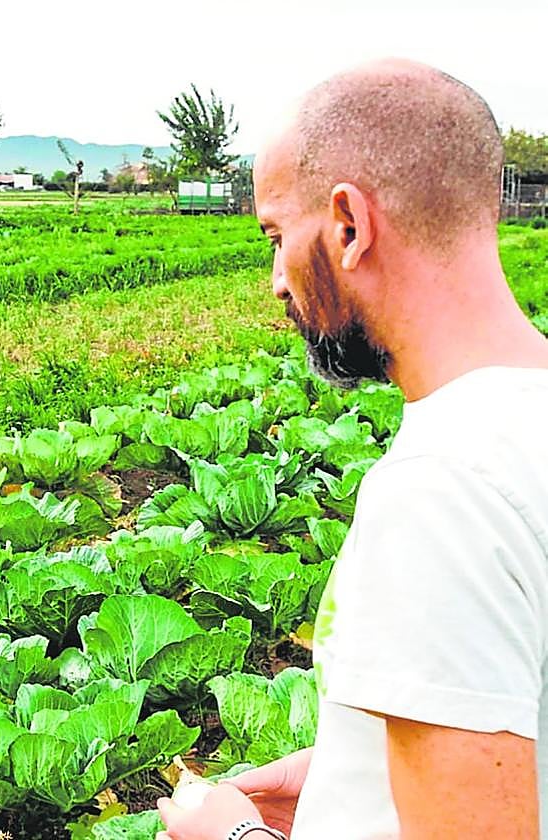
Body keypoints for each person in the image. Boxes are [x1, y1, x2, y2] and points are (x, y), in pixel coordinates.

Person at [157, 59, 548, 839]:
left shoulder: (441, 491)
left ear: (348, 225)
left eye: (276, 236)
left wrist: (234, 838)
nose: (275, 280)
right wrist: (351, 771)